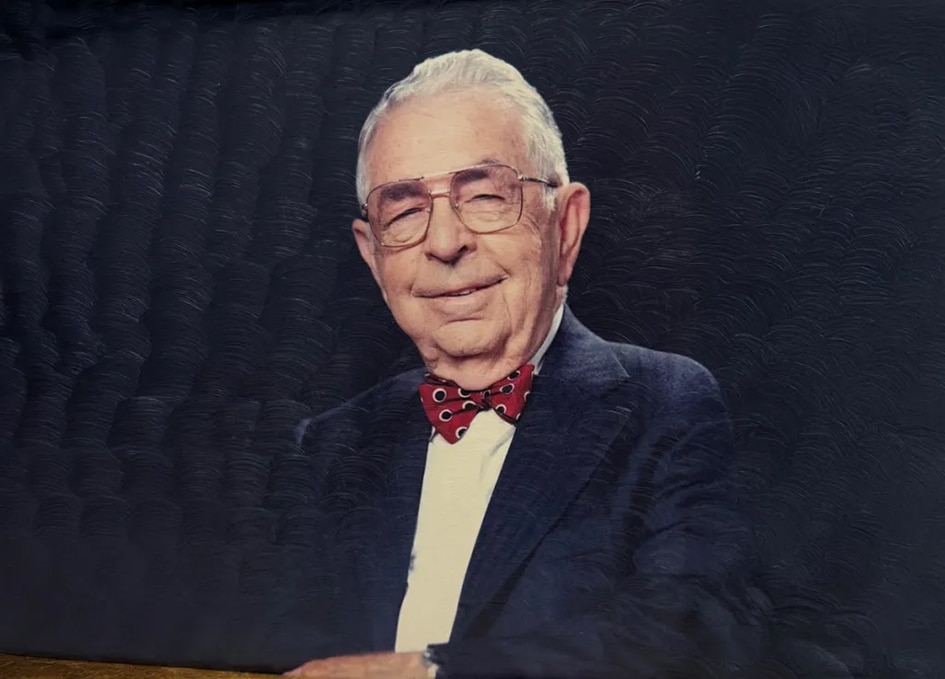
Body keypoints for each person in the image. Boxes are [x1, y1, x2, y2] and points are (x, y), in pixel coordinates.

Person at [286, 49, 767, 679]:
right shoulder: (330, 444)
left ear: (564, 228)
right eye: (403, 211)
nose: (444, 242)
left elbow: (693, 638)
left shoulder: (668, 406)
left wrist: (428, 673)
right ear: (374, 257)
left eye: (484, 196)